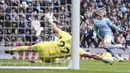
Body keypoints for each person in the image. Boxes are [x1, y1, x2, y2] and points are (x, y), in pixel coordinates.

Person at [5, 13, 113, 65]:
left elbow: (55, 29)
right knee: (57, 60)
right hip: (47, 57)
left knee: (29, 48)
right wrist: (103, 59)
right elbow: (91, 55)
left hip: (44, 47)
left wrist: (50, 20)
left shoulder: (67, 36)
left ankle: (11, 50)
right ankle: (38, 60)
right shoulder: (76, 49)